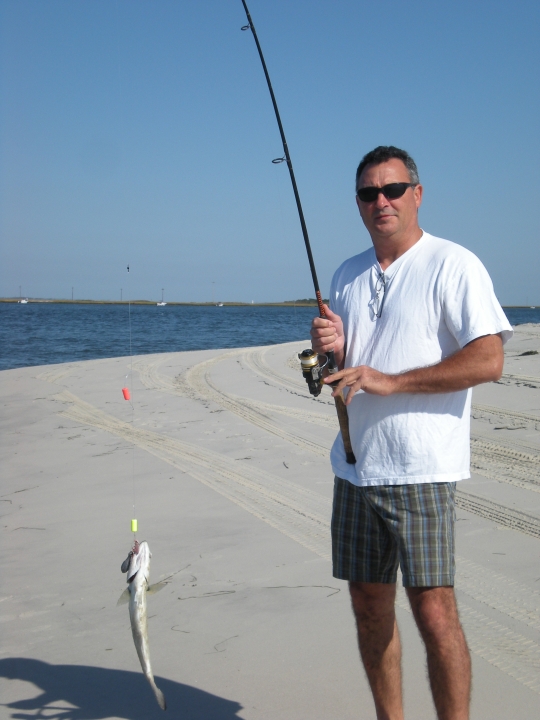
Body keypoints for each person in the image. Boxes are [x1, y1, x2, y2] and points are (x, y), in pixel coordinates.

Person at [310, 146, 512, 720]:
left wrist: (389, 382)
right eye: (369, 193)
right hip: (353, 467)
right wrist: (330, 354)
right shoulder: (347, 274)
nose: (382, 202)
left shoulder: (454, 264)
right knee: (368, 604)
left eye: (393, 189)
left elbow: (488, 359)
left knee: (435, 612)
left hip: (421, 470)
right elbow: (343, 371)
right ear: (358, 204)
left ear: (417, 194)